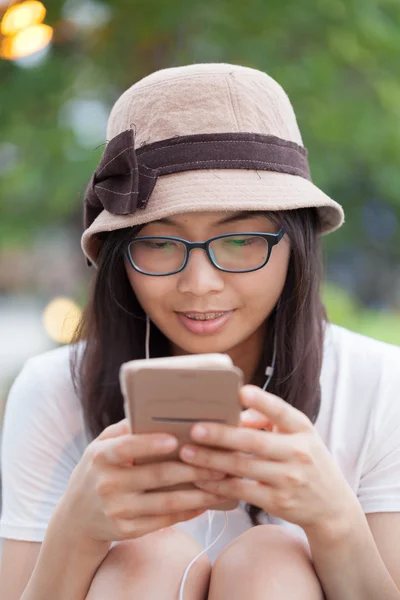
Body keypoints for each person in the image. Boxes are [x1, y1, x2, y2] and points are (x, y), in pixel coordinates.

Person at [1, 63, 400, 600]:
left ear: (296, 244)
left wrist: (334, 520)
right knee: (145, 557)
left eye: (239, 240)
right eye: (160, 243)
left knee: (271, 559)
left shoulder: (379, 386)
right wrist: (78, 529)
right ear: (120, 256)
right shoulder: (53, 391)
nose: (200, 284)